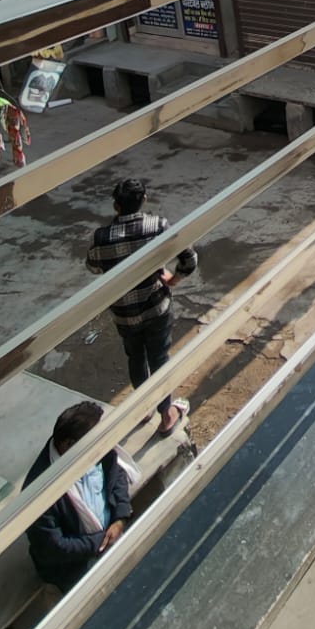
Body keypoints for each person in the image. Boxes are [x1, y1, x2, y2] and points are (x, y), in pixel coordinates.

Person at [86, 177, 197, 436]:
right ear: (144, 200)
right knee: (159, 358)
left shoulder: (102, 237)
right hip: (156, 309)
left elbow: (93, 266)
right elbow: (189, 258)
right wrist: (174, 279)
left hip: (124, 315)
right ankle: (166, 415)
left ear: (116, 206)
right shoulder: (157, 227)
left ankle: (143, 407)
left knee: (135, 358)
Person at [24, 401, 132, 593]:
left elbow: (118, 475)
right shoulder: (37, 494)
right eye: (92, 442)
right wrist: (101, 541)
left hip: (110, 538)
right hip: (74, 567)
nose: (99, 445)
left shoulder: (93, 448)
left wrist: (120, 519)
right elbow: (52, 547)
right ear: (68, 445)